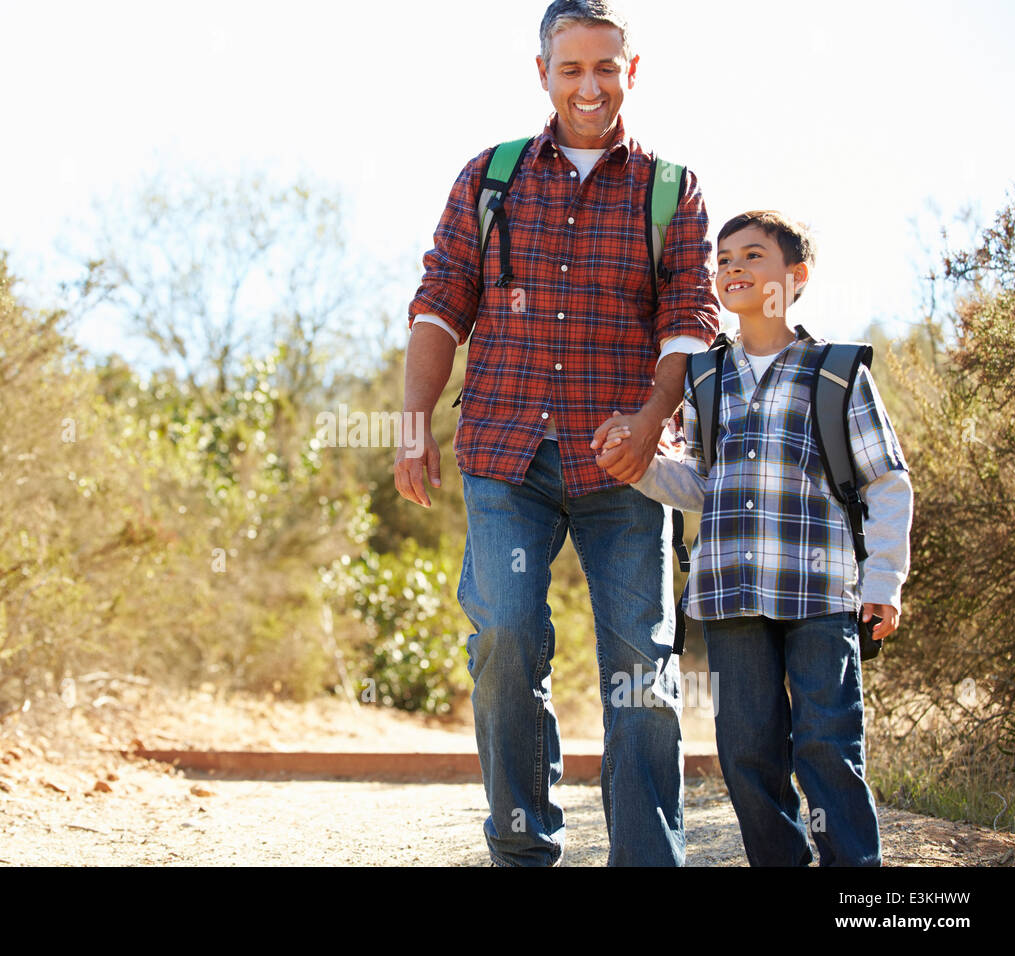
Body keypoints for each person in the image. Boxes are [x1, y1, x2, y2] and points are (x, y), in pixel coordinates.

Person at [394, 0, 719, 866]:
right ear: (542, 72)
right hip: (507, 453)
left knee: (641, 667)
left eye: (605, 67)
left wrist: (654, 423)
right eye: (570, 68)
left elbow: (691, 316)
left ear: (632, 71)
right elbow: (440, 301)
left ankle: (647, 855)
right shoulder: (490, 177)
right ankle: (522, 845)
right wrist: (412, 421)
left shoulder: (669, 188)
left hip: (627, 469)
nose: (589, 85)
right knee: (503, 633)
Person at [597, 210, 914, 866]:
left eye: (752, 256)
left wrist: (883, 582)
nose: (733, 267)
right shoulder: (706, 379)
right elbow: (699, 486)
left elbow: (886, 482)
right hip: (732, 601)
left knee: (828, 745)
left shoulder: (836, 373)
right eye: (725, 259)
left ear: (794, 278)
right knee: (746, 751)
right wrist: (644, 465)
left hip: (824, 596)